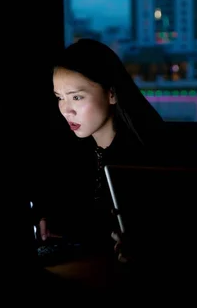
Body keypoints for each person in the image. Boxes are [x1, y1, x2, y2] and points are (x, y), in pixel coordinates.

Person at [38, 38, 167, 252]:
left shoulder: (147, 158)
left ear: (112, 94)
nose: (66, 110)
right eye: (60, 98)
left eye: (77, 97)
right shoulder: (66, 153)